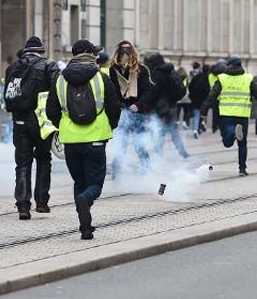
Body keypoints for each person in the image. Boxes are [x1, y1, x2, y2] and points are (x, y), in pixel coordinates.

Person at [47, 39, 121, 240]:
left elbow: (51, 110)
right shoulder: (102, 77)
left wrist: (63, 125)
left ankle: (85, 227)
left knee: (79, 181)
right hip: (96, 137)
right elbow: (114, 106)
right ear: (91, 54)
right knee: (94, 184)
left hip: (70, 139)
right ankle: (85, 201)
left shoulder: (60, 79)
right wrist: (110, 125)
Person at [3, 36, 60, 219]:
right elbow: (56, 93)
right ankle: (42, 202)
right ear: (41, 51)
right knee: (43, 159)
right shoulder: (48, 65)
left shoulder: (12, 67)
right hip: (41, 122)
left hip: (18, 122)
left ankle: (23, 205)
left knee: (22, 163)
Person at [201, 56, 257, 176]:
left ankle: (233, 135)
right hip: (242, 115)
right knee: (242, 143)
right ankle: (242, 169)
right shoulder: (248, 78)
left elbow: (212, 96)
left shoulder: (222, 78)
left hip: (226, 114)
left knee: (227, 142)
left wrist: (204, 111)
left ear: (229, 66)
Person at [109, 40, 154, 173]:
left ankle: (148, 171)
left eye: (128, 50)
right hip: (121, 112)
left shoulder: (141, 70)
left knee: (140, 144)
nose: (125, 54)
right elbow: (113, 91)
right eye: (122, 50)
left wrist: (138, 105)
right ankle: (117, 174)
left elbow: (148, 91)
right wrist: (117, 108)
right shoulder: (114, 70)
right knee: (120, 144)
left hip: (137, 112)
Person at [147, 53, 190, 159]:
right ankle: (182, 151)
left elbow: (153, 92)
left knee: (160, 131)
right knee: (173, 129)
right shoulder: (172, 71)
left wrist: (147, 105)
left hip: (160, 107)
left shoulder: (157, 74)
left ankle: (158, 153)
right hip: (172, 106)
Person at [188, 64, 211, 139]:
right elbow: (208, 90)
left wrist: (192, 94)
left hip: (195, 99)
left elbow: (190, 86)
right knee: (202, 114)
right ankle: (200, 127)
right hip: (203, 100)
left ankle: (195, 130)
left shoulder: (196, 77)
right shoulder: (208, 78)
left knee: (196, 115)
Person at [208, 59, 227, 133]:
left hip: (213, 95)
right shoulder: (223, 75)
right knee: (222, 113)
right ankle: (221, 126)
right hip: (222, 96)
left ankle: (214, 127)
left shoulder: (210, 75)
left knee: (214, 113)